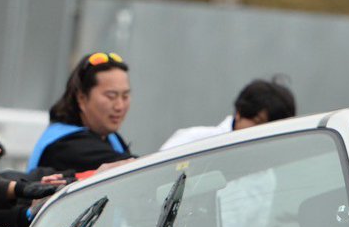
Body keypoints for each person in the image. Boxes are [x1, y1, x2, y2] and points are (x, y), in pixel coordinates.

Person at [27, 51, 132, 180]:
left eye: (125, 96)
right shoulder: (66, 146)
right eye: (111, 96)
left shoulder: (109, 136)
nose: (119, 106)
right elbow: (135, 168)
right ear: (82, 98)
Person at [160, 76, 296, 151]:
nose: (262, 133)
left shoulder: (267, 176)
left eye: (271, 130)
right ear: (239, 113)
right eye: (258, 122)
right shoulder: (192, 141)